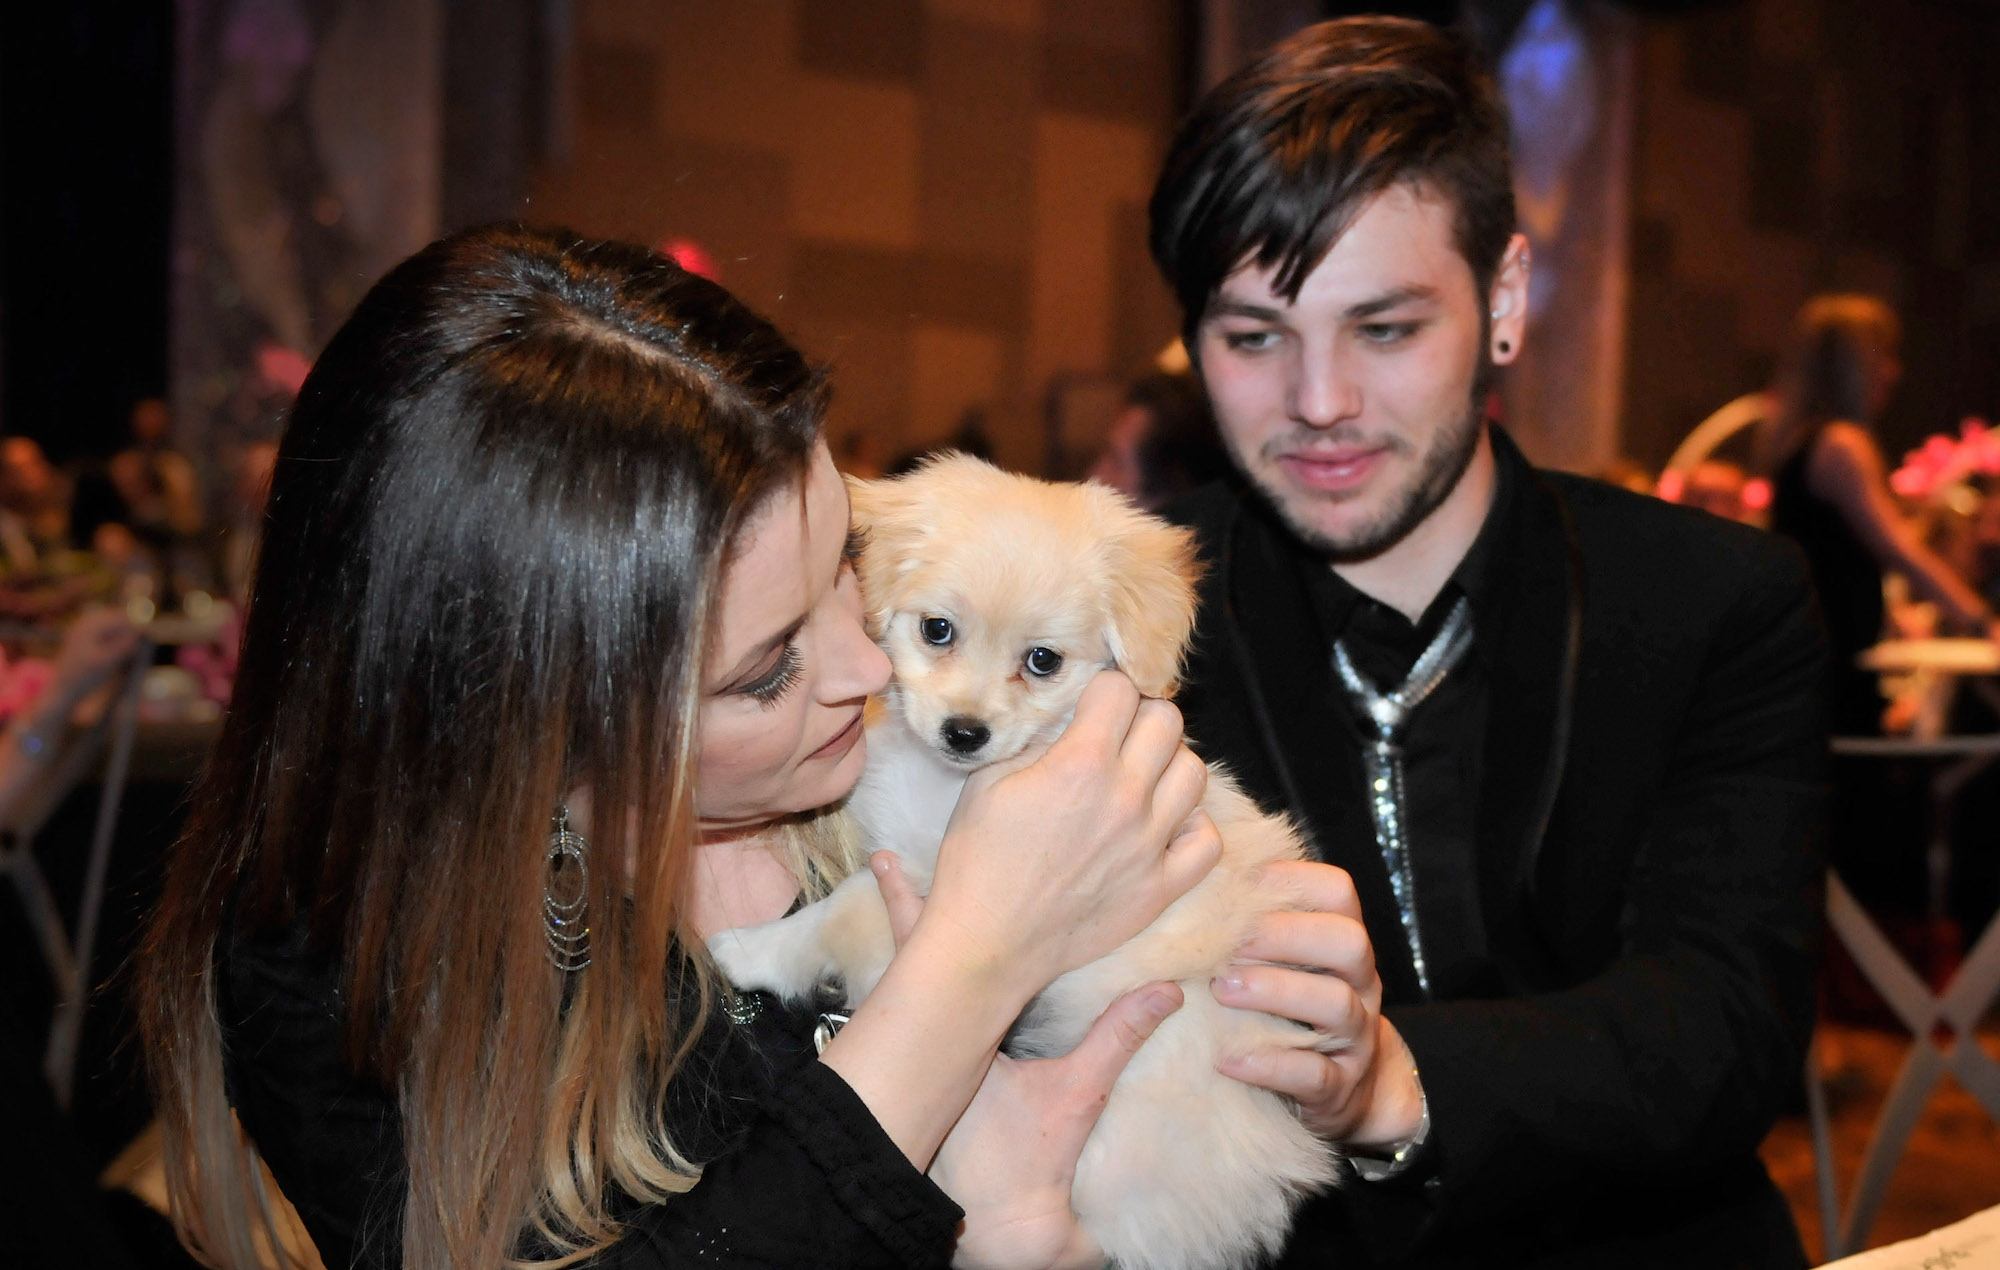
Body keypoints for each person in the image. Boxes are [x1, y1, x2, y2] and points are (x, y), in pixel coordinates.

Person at [133, 224, 1288, 1270]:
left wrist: (1347, 1067)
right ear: (532, 731)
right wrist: (967, 973)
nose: (870, 667)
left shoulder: (916, 761)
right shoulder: (332, 950)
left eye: (849, 562)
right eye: (765, 669)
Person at [1150, 18, 1826, 1267]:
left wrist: (1395, 1082)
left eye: (1385, 328)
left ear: (1503, 298)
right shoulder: (1119, 615)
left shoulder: (1708, 600)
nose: (1317, 402)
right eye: (1253, 337)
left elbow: (1724, 1026)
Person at [1760, 294, 1994, 737]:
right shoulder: (1842, 444)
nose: (1894, 372)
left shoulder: (1797, 441)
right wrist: (1982, 620)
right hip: (1832, 658)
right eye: (1884, 357)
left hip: (1808, 652)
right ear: (1854, 366)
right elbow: (1898, 549)